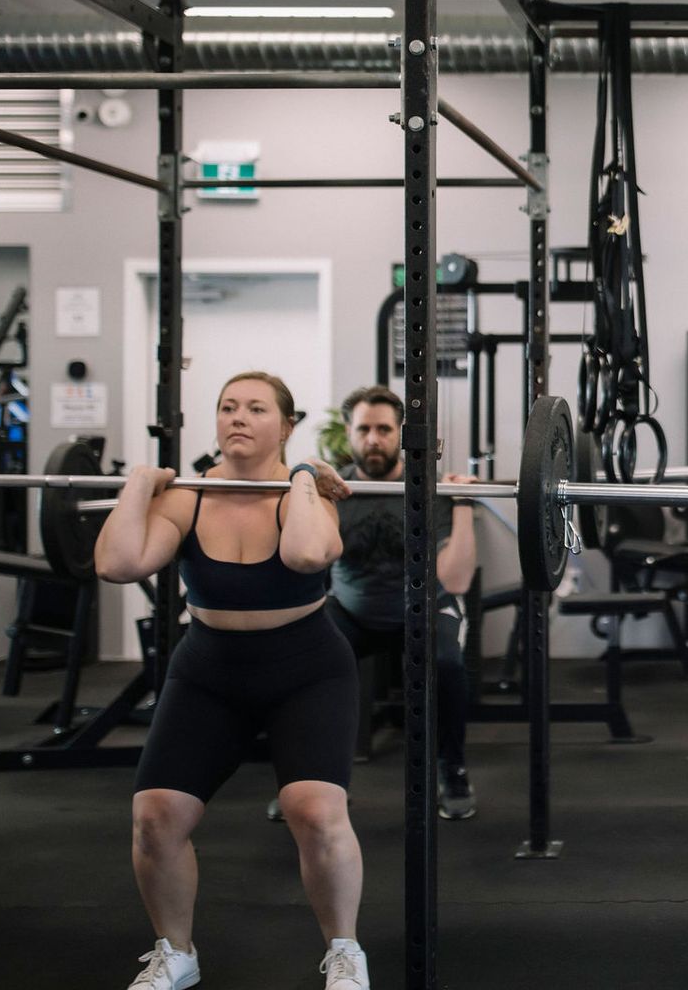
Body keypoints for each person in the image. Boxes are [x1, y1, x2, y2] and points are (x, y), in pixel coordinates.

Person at [93, 371, 370, 990]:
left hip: (307, 668)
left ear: (287, 426)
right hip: (210, 669)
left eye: (255, 408)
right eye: (226, 407)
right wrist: (138, 488)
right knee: (155, 817)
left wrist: (300, 476)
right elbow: (117, 563)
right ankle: (177, 953)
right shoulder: (188, 495)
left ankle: (346, 951)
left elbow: (304, 556)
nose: (237, 417)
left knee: (315, 811)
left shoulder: (310, 492)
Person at [265, 384, 481, 822]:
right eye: (364, 428)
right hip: (352, 610)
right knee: (298, 663)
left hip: (424, 608)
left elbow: (456, 579)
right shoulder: (332, 490)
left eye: (384, 429)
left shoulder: (429, 488)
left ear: (400, 433)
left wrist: (462, 503)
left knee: (448, 663)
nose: (374, 439)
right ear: (349, 432)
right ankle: (311, 780)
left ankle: (451, 769)